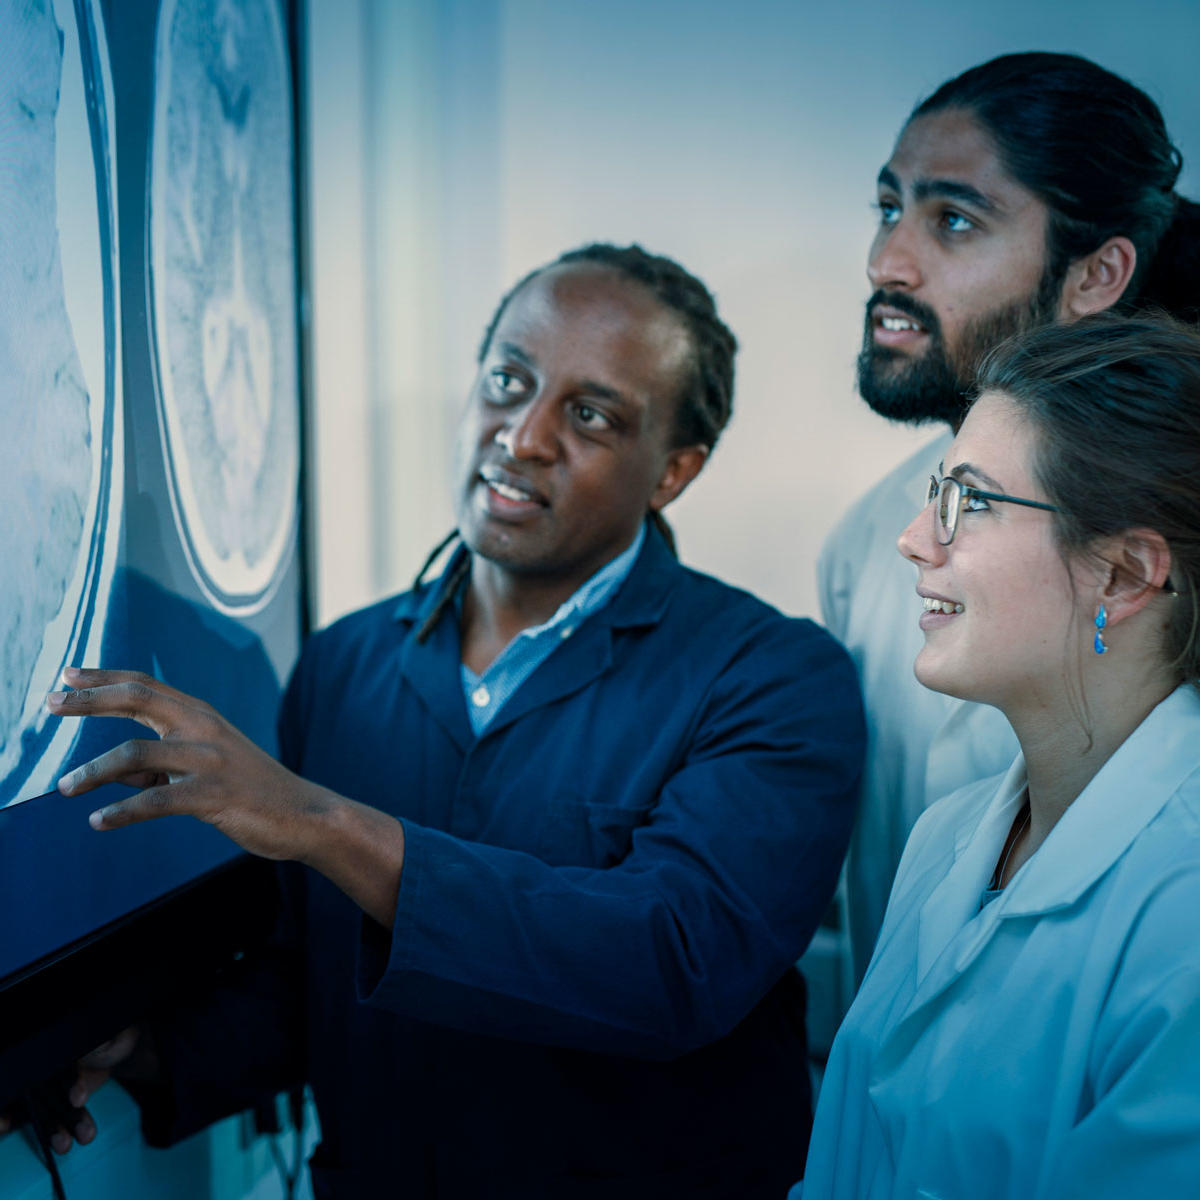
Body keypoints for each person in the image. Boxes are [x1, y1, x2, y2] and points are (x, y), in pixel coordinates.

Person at [43, 244, 864, 1198]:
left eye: (590, 416)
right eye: (508, 382)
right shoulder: (344, 663)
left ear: (674, 470)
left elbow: (674, 960)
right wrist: (141, 1050)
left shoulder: (772, 676)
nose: (522, 437)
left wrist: (323, 822)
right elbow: (310, 987)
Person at [799, 314, 1200, 1198]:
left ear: (1127, 575)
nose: (913, 539)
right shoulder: (950, 835)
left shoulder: (1185, 911)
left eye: (967, 501)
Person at [819, 51, 1200, 981]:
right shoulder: (868, 540)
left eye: (953, 219)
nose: (885, 261)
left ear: (1098, 271)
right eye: (887, 208)